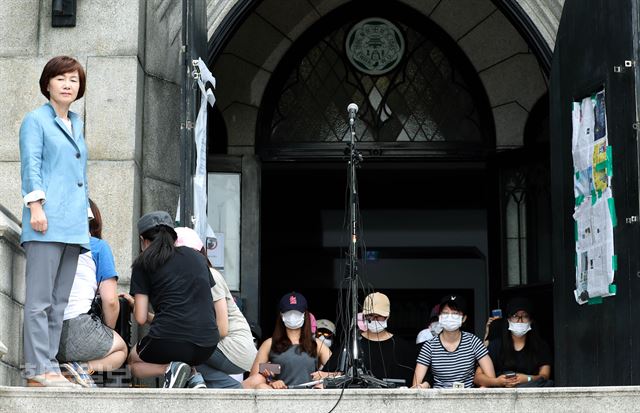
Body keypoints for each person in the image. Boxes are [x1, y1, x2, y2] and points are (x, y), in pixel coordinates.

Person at [20, 56, 90, 387]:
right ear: (47, 83)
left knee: (59, 302)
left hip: (73, 225)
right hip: (44, 222)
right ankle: (36, 369)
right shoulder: (36, 120)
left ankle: (48, 365)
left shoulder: (76, 122)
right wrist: (35, 207)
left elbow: (78, 176)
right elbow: (31, 165)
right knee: (39, 301)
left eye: (73, 80)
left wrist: (84, 220)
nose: (67, 84)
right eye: (61, 78)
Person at [122, 211, 219, 388]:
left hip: (168, 341)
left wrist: (134, 304)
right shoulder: (196, 257)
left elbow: (141, 318)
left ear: (143, 240)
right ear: (172, 237)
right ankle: (193, 376)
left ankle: (170, 369)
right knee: (184, 347)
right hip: (208, 343)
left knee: (133, 363)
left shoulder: (143, 263)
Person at [173, 227, 257, 389]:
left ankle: (231, 388)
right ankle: (218, 385)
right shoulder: (188, 281)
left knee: (181, 342)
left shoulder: (210, 276)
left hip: (235, 347)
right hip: (219, 346)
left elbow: (223, 329)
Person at [56, 199, 128, 387]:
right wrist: (108, 329)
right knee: (120, 349)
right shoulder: (97, 246)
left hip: (45, 332)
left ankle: (64, 370)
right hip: (77, 327)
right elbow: (110, 300)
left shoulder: (51, 247)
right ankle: (82, 368)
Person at [320, 292, 417, 387]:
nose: (374, 320)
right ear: (364, 316)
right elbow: (329, 374)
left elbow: (414, 382)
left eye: (378, 316)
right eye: (370, 316)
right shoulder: (353, 345)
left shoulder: (402, 347)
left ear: (387, 316)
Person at [245, 292, 331, 389]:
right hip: (279, 395)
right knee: (261, 387)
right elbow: (253, 380)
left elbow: (341, 373)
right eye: (288, 312)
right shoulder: (269, 344)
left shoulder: (316, 344)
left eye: (297, 313)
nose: (293, 316)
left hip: (309, 396)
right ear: (281, 315)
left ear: (304, 315)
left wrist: (325, 375)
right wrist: (272, 382)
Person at [413, 295, 495, 388]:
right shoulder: (429, 346)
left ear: (464, 318)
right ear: (439, 317)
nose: (450, 317)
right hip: (438, 400)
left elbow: (491, 378)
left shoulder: (473, 341)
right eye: (445, 313)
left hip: (468, 399)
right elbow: (416, 384)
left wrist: (477, 397)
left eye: (455, 313)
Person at [474, 297, 553, 387]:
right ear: (508, 320)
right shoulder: (496, 345)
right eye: (515, 316)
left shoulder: (540, 346)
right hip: (502, 393)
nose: (520, 320)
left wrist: (527, 378)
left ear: (531, 321)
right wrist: (497, 381)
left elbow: (545, 376)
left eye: (525, 316)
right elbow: (477, 377)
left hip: (530, 391)